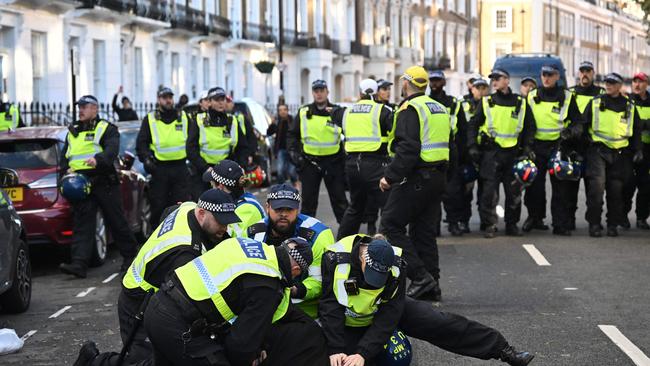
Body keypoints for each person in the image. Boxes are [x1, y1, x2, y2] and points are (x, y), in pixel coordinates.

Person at [73, 189, 241, 366]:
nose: (225, 228)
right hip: (138, 302)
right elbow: (186, 300)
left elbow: (167, 213)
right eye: (221, 222)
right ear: (201, 213)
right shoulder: (186, 253)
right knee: (146, 361)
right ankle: (92, 361)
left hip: (149, 291)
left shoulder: (188, 208)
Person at [320, 234, 535, 366]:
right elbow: (330, 308)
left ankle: (504, 350)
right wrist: (336, 349)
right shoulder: (335, 259)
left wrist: (363, 352)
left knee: (440, 323)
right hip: (348, 322)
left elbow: (390, 314)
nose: (375, 282)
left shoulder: (397, 264)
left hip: (382, 311)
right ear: (361, 258)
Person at [145, 237, 327, 365]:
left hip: (157, 304)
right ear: (296, 269)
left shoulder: (246, 244)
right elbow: (240, 346)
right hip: (179, 327)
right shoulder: (269, 285)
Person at [379, 66, 450, 301]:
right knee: (424, 232)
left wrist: (390, 177)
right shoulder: (438, 107)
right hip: (437, 176)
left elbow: (408, 148)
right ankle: (433, 285)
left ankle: (420, 277)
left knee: (390, 225)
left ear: (407, 83)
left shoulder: (410, 108)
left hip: (417, 177)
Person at [59, 95, 138, 278]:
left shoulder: (106, 128)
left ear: (95, 108)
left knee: (116, 221)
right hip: (81, 184)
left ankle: (131, 258)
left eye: (85, 107)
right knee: (82, 224)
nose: (80, 110)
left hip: (103, 181)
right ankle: (79, 264)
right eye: (79, 107)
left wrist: (98, 160)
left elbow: (112, 149)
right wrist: (65, 172)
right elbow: (65, 157)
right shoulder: (73, 131)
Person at [246, 183, 335, 319]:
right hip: (264, 308)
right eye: (278, 209)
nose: (283, 214)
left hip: (305, 311)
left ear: (298, 209)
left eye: (289, 209)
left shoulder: (319, 235)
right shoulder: (253, 233)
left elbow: (320, 280)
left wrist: (295, 290)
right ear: (267, 207)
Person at [468, 68, 536, 239]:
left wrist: (527, 147)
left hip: (514, 154)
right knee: (489, 193)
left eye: (498, 78)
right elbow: (473, 125)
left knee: (514, 193)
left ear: (507, 80)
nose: (494, 81)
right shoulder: (487, 102)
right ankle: (490, 225)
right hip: (492, 153)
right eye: (493, 79)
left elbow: (530, 127)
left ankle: (512, 225)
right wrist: (473, 146)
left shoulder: (520, 103)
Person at [522, 65, 583, 236]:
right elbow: (525, 123)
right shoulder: (532, 96)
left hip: (559, 146)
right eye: (543, 75)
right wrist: (526, 146)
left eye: (550, 75)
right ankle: (535, 218)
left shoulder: (567, 97)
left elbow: (578, 122)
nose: (546, 78)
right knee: (534, 187)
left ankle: (560, 224)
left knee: (561, 188)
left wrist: (571, 132)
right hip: (537, 147)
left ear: (557, 77)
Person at [581, 72, 644, 237]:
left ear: (620, 86)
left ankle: (612, 224)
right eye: (606, 82)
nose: (608, 85)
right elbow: (583, 124)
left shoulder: (629, 106)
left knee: (616, 191)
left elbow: (636, 130)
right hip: (598, 151)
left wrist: (638, 150)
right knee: (597, 188)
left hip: (620, 153)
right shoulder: (595, 103)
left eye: (612, 83)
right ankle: (594, 224)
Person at [335, 79, 393, 240]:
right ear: (375, 93)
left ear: (360, 93)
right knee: (388, 207)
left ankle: (341, 244)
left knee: (355, 207)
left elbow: (333, 113)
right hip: (375, 164)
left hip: (353, 166)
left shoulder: (347, 111)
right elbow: (395, 132)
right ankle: (387, 243)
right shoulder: (382, 110)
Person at [287, 79, 349, 222]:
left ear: (327, 92)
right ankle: (305, 237)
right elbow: (292, 135)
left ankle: (348, 236)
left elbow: (349, 133)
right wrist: (295, 155)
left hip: (333, 162)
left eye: (322, 91)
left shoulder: (337, 112)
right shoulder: (304, 112)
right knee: (308, 203)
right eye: (316, 91)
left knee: (340, 202)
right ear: (312, 93)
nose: (319, 94)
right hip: (310, 163)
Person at [136, 87, 191, 226]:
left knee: (181, 206)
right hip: (160, 169)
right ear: (158, 100)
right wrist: (147, 159)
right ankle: (158, 236)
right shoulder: (150, 119)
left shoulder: (183, 117)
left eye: (170, 97)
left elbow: (194, 140)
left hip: (180, 168)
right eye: (164, 97)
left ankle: (180, 235)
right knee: (159, 206)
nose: (168, 100)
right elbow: (141, 143)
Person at [186, 87, 250, 199]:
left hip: (228, 172)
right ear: (209, 102)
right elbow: (191, 148)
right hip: (205, 172)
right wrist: (205, 167)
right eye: (216, 100)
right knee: (204, 207)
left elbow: (243, 147)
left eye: (223, 99)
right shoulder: (199, 120)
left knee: (231, 206)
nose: (221, 102)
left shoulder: (233, 121)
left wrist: (241, 166)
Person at [428, 70, 469, 236]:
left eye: (438, 81)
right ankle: (434, 227)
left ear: (444, 83)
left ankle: (453, 223)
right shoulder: (425, 102)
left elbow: (463, 131)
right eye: (432, 81)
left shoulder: (453, 103)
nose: (435, 84)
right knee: (432, 194)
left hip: (450, 151)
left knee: (452, 192)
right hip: (429, 152)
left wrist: (464, 154)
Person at [566, 61, 605, 230]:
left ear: (593, 73)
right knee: (570, 187)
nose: (585, 74)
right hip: (574, 146)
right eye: (582, 71)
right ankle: (569, 221)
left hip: (592, 147)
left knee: (594, 189)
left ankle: (593, 222)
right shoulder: (570, 93)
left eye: (588, 71)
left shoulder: (601, 93)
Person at [203, 159, 265, 236]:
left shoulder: (247, 209)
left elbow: (233, 240)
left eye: (212, 185)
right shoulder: (234, 202)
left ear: (220, 186)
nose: (212, 189)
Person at [624, 72, 650, 230]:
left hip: (647, 151)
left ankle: (641, 217)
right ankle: (622, 216)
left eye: (641, 82)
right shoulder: (627, 101)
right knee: (627, 185)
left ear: (646, 84)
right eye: (634, 82)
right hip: (629, 149)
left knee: (646, 186)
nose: (637, 85)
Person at [267, 104, 299, 185]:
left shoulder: (293, 120)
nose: (282, 112)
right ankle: (282, 187)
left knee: (292, 172)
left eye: (284, 109)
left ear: (287, 111)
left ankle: (295, 185)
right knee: (280, 171)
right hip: (281, 150)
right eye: (280, 110)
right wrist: (272, 123)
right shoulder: (277, 122)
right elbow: (269, 133)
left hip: (292, 150)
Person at [226, 95, 257, 167]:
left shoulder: (240, 117)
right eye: (226, 101)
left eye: (229, 102)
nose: (227, 104)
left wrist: (250, 154)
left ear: (233, 104)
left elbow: (250, 137)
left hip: (240, 154)